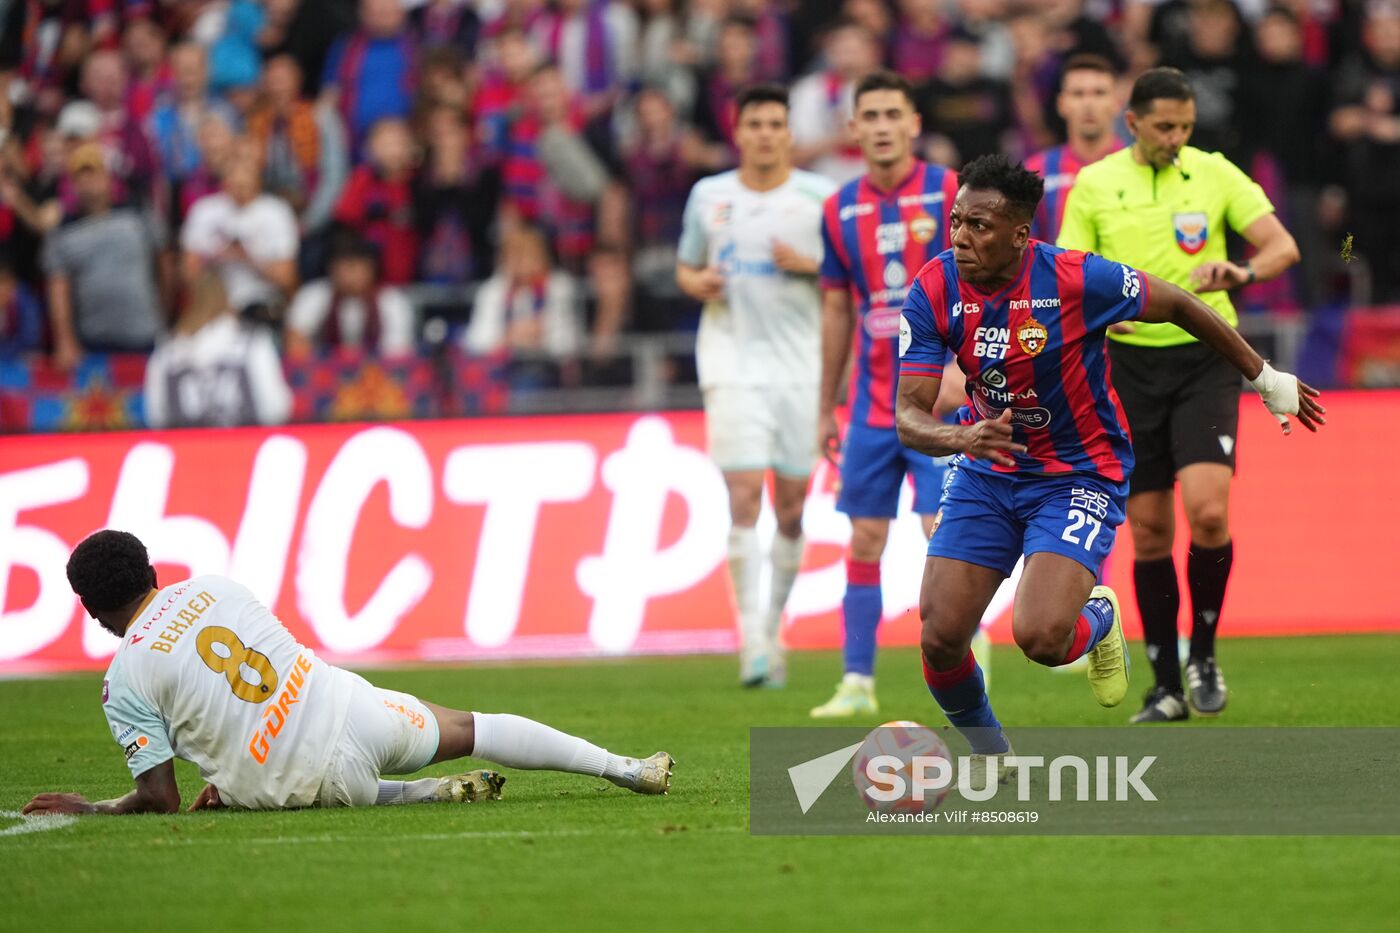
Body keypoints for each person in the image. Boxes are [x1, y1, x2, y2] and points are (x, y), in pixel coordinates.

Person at [897, 154, 1322, 770]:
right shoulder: (934, 287)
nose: (961, 236)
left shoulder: (1075, 279)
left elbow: (1177, 303)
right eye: (957, 220)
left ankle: (1098, 616)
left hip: (1077, 473)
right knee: (939, 636)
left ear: (1021, 234)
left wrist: (1263, 377)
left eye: (980, 226)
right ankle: (994, 757)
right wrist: (959, 440)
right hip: (987, 470)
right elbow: (908, 415)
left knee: (1042, 639)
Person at [21, 530, 673, 815]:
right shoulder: (214, 585)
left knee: (274, 786)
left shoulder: (126, 676)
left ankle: (418, 794)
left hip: (305, 782)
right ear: (153, 572)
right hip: (356, 711)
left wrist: (98, 806)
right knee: (475, 725)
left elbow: (160, 797)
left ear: (90, 608)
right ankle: (623, 766)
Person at [1057, 67, 1302, 723]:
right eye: (1166, 126)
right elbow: (1071, 274)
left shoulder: (1215, 172)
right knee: (1149, 529)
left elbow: (1282, 246)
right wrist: (1107, 312)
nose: (1177, 138)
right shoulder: (1095, 183)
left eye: (1186, 127)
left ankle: (1205, 652)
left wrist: (1240, 269)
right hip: (1127, 368)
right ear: (1130, 122)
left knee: (1210, 512)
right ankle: (1164, 685)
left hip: (1206, 358)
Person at [810, 70, 962, 718]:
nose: (879, 125)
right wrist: (825, 403)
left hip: (938, 400)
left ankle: (962, 651)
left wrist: (971, 374)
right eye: (868, 114)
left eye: (891, 113)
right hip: (873, 406)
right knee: (865, 538)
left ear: (913, 122)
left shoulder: (948, 189)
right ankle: (855, 681)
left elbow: (981, 285)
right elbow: (837, 310)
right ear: (853, 128)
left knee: (944, 532)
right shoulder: (838, 208)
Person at [676, 84, 837, 687]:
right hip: (731, 361)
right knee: (743, 495)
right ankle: (752, 640)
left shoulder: (819, 197)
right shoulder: (709, 196)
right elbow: (685, 265)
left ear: (788, 133)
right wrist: (697, 284)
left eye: (776, 123)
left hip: (801, 367)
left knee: (792, 506)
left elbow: (848, 277)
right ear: (738, 132)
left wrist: (813, 265)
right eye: (756, 124)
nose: (766, 134)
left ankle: (775, 625)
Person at [43, 143, 167, 370]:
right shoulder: (62, 230)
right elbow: (58, 288)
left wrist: (165, 313)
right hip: (93, 343)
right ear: (73, 185)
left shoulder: (137, 212)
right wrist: (64, 340)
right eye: (82, 177)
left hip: (144, 335)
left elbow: (163, 264)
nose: (89, 183)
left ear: (108, 178)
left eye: (95, 174)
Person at [144, 271, 293, 428]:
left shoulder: (165, 351)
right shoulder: (253, 342)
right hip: (245, 447)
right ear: (227, 300)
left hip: (185, 449)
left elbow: (156, 417)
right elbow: (276, 408)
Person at [1023, 54, 1123, 244]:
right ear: (1062, 104)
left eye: (1099, 93)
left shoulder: (1139, 166)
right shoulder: (1035, 172)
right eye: (1078, 94)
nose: (1088, 104)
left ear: (1116, 102)